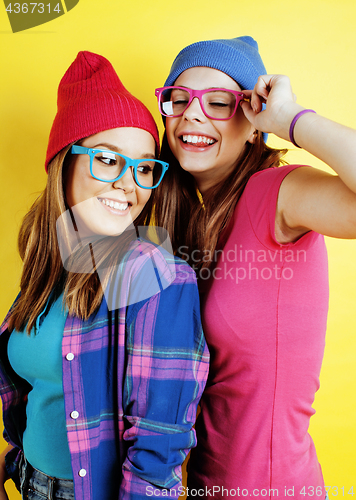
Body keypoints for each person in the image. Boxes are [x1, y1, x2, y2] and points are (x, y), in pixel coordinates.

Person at [0, 51, 209, 500]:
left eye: (145, 167)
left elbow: (160, 444)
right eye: (109, 160)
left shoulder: (159, 279)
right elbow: (37, 396)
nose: (130, 184)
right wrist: (14, 462)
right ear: (64, 163)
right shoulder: (46, 264)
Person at [153, 36, 356, 499]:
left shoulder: (276, 193)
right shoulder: (181, 220)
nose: (194, 114)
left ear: (252, 125)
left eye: (220, 103)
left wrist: (291, 119)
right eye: (179, 99)